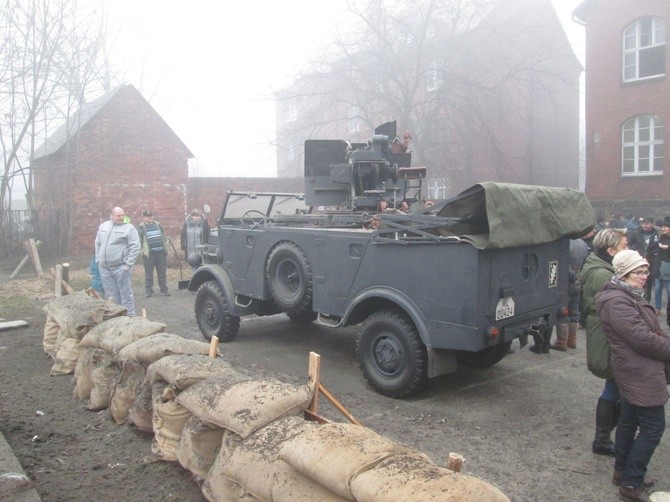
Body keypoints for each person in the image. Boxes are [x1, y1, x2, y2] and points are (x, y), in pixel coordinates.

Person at [596, 250, 670, 502]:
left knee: (629, 420)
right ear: (624, 274)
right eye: (639, 272)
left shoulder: (629, 295)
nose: (644, 276)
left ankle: (622, 471)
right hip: (639, 371)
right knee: (653, 427)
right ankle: (631, 482)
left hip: (635, 369)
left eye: (646, 271)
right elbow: (641, 338)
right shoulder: (618, 301)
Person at [580, 228, 628, 456]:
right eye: (623, 247)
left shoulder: (604, 269)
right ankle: (602, 439)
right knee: (614, 385)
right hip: (607, 334)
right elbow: (614, 309)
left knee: (615, 385)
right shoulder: (602, 274)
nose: (627, 250)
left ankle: (605, 437)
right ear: (610, 250)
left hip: (608, 331)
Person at [95, 206, 140, 316]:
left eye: (122, 215)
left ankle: (129, 317)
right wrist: (98, 259)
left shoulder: (129, 228)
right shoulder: (103, 226)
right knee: (111, 295)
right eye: (118, 215)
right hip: (105, 268)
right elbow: (97, 243)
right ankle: (116, 317)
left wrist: (128, 264)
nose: (121, 217)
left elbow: (135, 247)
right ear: (112, 216)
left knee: (126, 294)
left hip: (121, 267)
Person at [550, 237, 589, 350]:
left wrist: (572, 276)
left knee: (562, 311)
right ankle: (572, 341)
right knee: (574, 310)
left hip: (565, 279)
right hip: (578, 278)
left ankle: (561, 342)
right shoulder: (582, 243)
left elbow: (563, 263)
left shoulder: (566, 243)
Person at [137, 210, 170, 297]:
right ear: (144, 217)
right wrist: (142, 251)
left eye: (151, 216)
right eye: (147, 216)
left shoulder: (158, 225)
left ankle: (164, 290)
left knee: (162, 273)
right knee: (148, 274)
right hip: (149, 255)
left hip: (161, 254)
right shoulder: (141, 227)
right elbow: (138, 241)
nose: (149, 217)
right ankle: (149, 291)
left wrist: (166, 246)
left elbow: (164, 236)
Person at [629, 216, 659, 300]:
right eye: (643, 223)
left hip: (651, 262)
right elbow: (629, 244)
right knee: (636, 281)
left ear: (652, 224)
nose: (644, 225)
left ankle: (647, 302)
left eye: (647, 223)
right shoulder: (636, 233)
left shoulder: (657, 234)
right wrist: (634, 253)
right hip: (638, 261)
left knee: (648, 284)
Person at [648, 217, 670, 323]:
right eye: (662, 227)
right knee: (657, 289)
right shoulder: (658, 237)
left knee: (669, 290)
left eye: (665, 227)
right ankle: (657, 308)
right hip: (658, 266)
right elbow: (651, 248)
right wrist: (657, 244)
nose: (663, 229)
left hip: (667, 267)